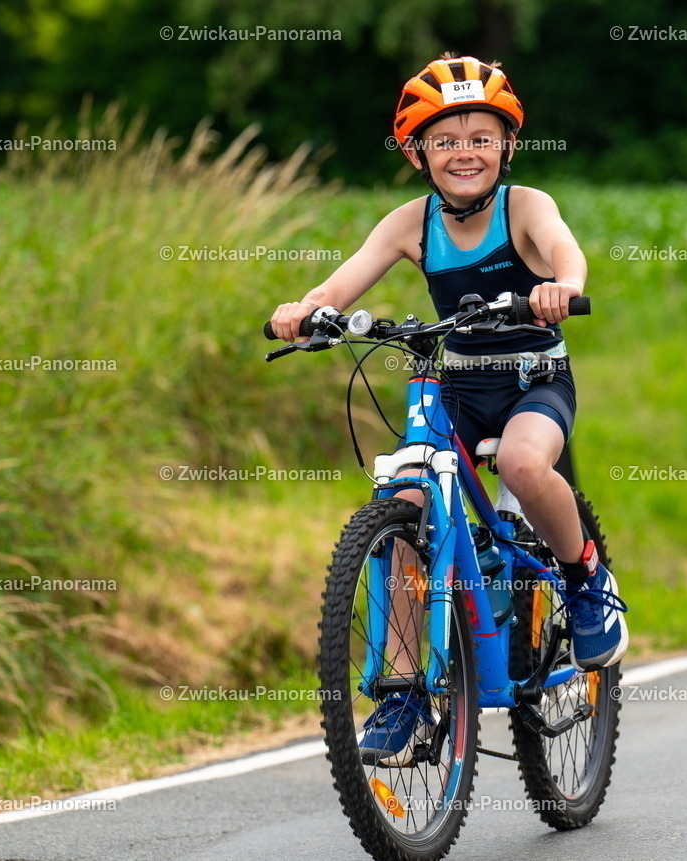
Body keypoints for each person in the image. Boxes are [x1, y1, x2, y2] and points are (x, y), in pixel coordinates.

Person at [269, 55, 628, 763]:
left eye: (480, 136)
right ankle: (404, 692)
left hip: (532, 380)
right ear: (417, 153)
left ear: (507, 146)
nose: (465, 151)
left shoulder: (524, 207)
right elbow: (344, 280)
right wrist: (306, 311)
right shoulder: (410, 223)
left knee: (524, 463)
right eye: (446, 139)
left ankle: (586, 580)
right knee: (404, 500)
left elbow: (565, 250)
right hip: (457, 385)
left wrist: (564, 285)